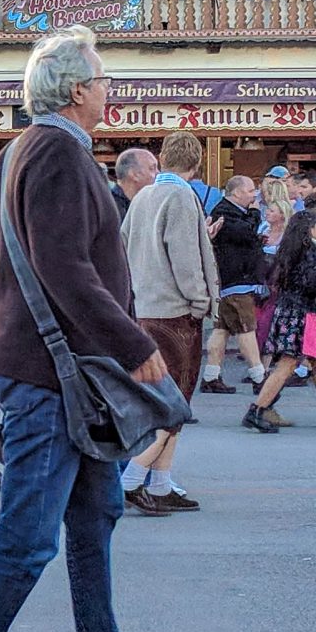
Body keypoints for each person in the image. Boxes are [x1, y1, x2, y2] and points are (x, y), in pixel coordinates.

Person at [0, 26, 165, 632]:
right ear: (76, 90)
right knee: (25, 541)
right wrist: (133, 344)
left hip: (53, 368)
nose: (109, 90)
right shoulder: (62, 154)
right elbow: (64, 267)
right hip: (55, 373)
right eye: (103, 80)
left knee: (95, 518)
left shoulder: (17, 151)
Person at [119, 132, 220, 515]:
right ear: (196, 163)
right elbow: (185, 256)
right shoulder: (181, 196)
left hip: (145, 307)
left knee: (168, 400)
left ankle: (160, 484)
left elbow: (124, 244)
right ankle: (132, 480)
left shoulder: (143, 196)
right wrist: (200, 301)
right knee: (174, 403)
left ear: (162, 158)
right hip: (175, 312)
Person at [243, 209, 316, 432]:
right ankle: (256, 409)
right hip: (303, 315)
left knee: (302, 362)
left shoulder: (290, 251)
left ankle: (259, 409)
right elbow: (310, 284)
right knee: (287, 364)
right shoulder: (310, 253)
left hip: (292, 312)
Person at [203, 176, 268, 396]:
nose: (254, 194)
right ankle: (259, 376)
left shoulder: (229, 212)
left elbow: (244, 239)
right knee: (246, 328)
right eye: (250, 190)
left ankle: (211, 375)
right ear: (237, 193)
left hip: (229, 280)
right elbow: (246, 233)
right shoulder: (226, 213)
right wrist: (255, 213)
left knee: (222, 329)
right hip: (236, 281)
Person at [110, 147, 158, 222]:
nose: (158, 173)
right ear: (134, 174)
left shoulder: (146, 203)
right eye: (152, 168)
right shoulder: (109, 208)